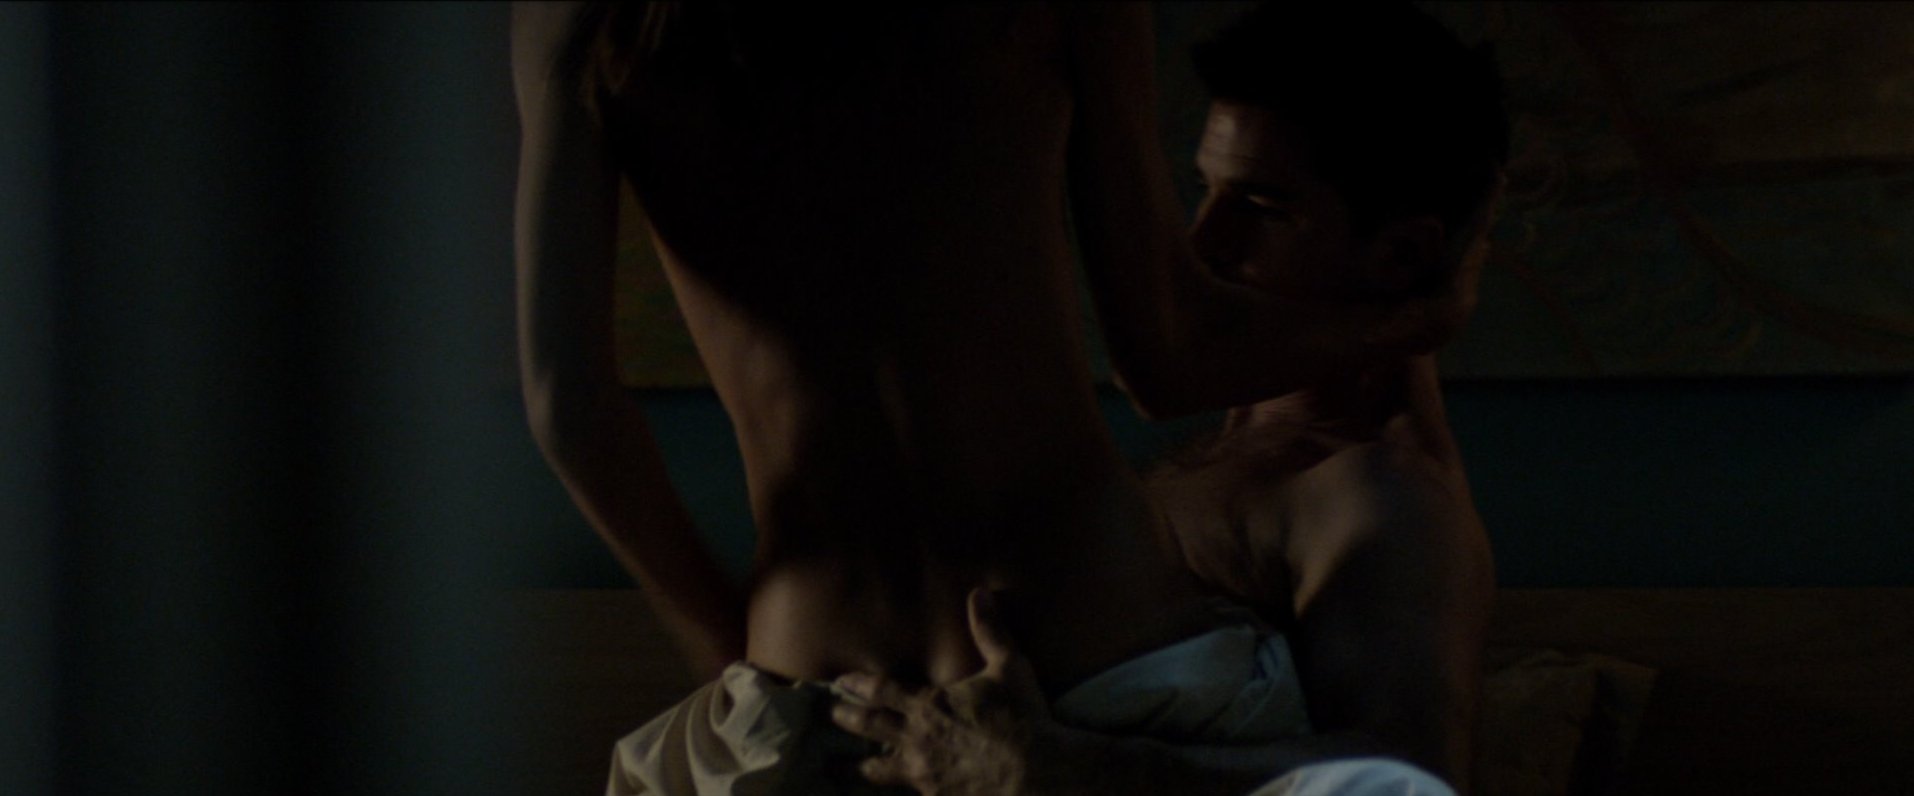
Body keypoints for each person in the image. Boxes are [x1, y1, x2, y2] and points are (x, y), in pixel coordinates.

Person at [513, 2, 1483, 793]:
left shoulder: (575, 19)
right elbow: (1168, 358)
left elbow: (567, 411)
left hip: (816, 685)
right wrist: (1424, 318)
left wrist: (732, 653)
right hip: (1095, 657)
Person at [829, 3, 1509, 794]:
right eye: (1204, 191)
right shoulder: (1241, 441)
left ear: (1401, 255)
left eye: (1263, 208)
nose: (1202, 242)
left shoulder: (1376, 493)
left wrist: (1056, 767)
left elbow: (1409, 773)